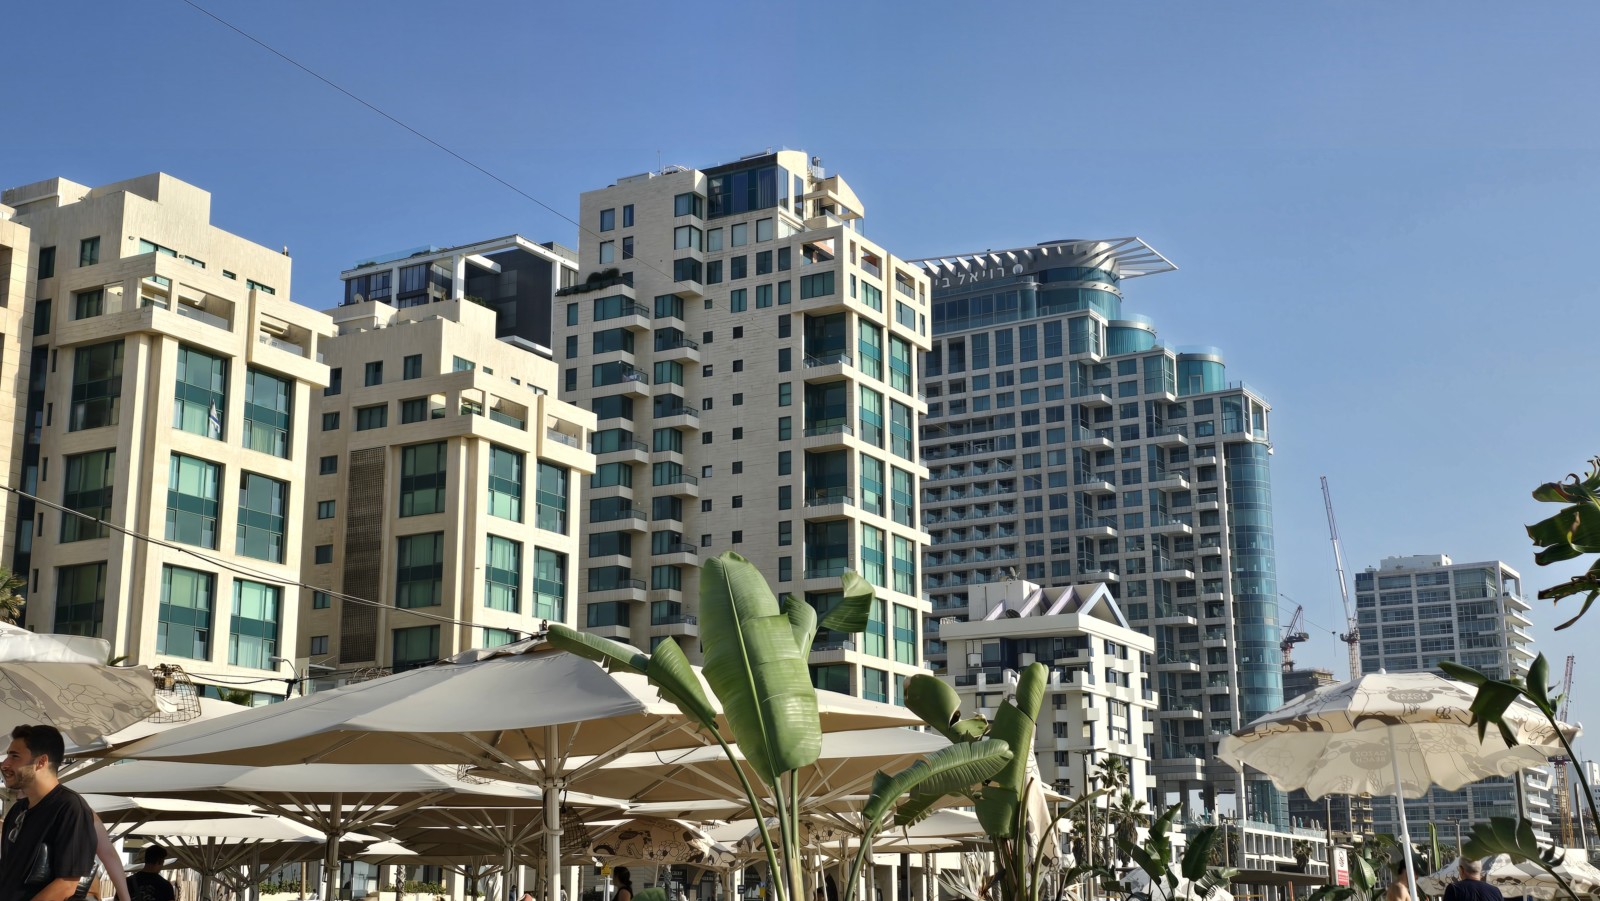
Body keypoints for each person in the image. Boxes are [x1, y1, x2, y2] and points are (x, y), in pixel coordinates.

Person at [0, 724, 98, 901]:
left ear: (41, 762)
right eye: (7, 756)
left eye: (14, 756)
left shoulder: (70, 807)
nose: (5, 764)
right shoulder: (17, 809)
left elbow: (67, 884)